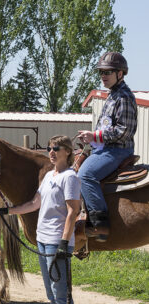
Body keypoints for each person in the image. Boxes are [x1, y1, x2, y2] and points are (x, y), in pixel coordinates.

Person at [0, 135, 81, 304]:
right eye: (49, 148)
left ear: (67, 152)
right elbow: (34, 203)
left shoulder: (70, 177)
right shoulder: (50, 175)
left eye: (56, 148)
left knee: (61, 293)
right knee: (51, 293)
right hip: (43, 239)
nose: (51, 151)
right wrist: (6, 211)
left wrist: (63, 241)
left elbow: (73, 211)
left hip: (56, 242)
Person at [77, 52, 137, 241]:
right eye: (101, 72)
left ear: (120, 73)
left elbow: (124, 131)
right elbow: (106, 126)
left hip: (117, 150)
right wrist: (91, 141)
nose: (103, 76)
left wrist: (94, 136)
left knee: (85, 174)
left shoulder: (124, 97)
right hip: (104, 149)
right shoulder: (112, 95)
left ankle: (99, 223)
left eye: (108, 72)